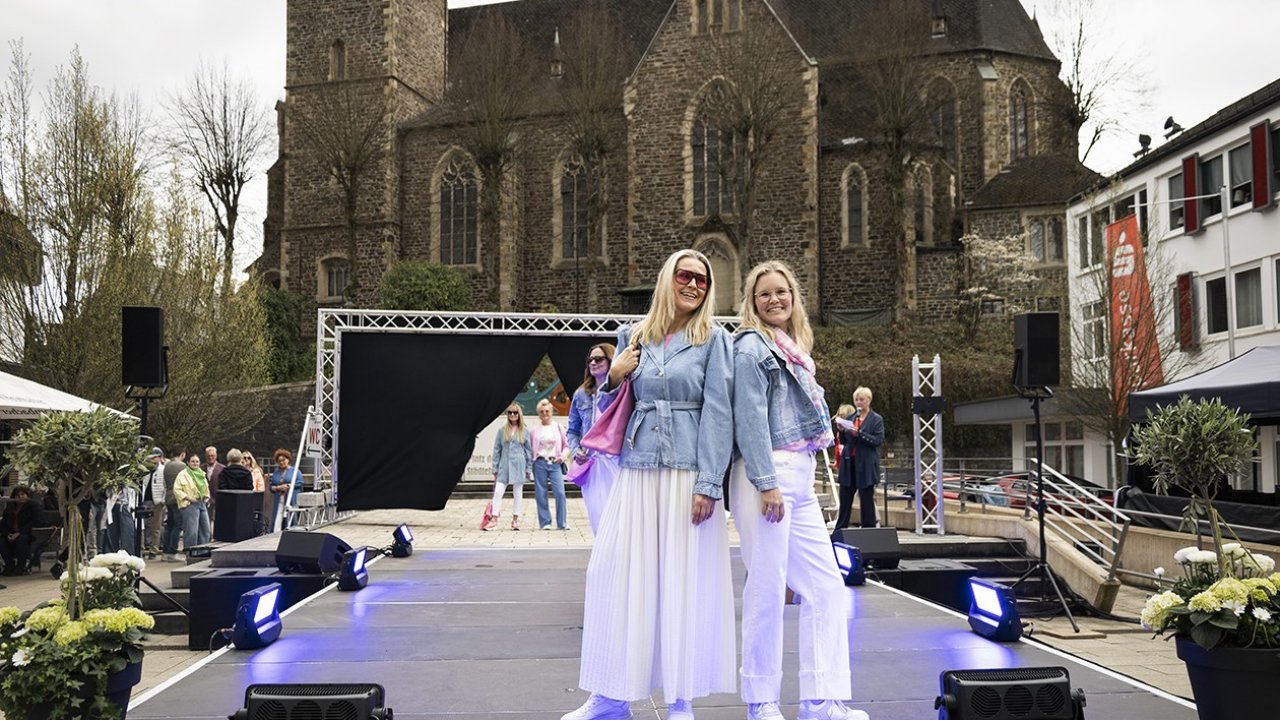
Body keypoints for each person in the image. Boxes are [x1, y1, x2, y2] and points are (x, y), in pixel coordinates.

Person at [562, 249, 735, 720]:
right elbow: (609, 413)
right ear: (668, 279)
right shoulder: (631, 335)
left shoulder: (713, 340)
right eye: (685, 275)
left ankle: (681, 701)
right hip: (637, 469)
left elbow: (719, 415)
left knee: (680, 584)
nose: (694, 285)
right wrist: (614, 378)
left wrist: (709, 483)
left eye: (702, 279)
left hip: (686, 473)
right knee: (613, 576)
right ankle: (611, 694)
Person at [729, 260, 868, 720]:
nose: (775, 300)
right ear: (752, 301)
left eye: (781, 292)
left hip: (800, 475)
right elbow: (749, 419)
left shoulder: (793, 348)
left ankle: (823, 698)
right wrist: (766, 484)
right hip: (764, 475)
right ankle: (762, 700)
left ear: (793, 297)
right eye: (764, 294)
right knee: (766, 589)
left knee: (827, 588)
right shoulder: (750, 347)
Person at [566, 343, 618, 533]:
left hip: (619, 463)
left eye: (599, 359)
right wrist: (575, 451)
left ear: (611, 360)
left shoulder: (623, 391)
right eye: (590, 360)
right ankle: (604, 560)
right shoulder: (581, 395)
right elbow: (572, 431)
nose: (593, 363)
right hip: (593, 464)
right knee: (599, 520)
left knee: (620, 520)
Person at [838, 387, 884, 529]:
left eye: (861, 400)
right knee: (845, 497)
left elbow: (877, 440)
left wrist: (860, 434)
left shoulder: (876, 419)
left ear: (868, 401)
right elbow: (845, 442)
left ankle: (868, 528)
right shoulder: (851, 419)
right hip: (849, 462)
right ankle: (840, 528)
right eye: (856, 400)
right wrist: (841, 431)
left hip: (865, 464)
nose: (858, 402)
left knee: (866, 497)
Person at [487, 403, 533, 531]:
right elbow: (497, 450)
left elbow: (529, 451)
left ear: (519, 414)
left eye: (515, 412)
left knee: (517, 493)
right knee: (498, 491)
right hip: (504, 465)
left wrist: (529, 468)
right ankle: (494, 518)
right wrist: (495, 468)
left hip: (519, 465)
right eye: (510, 413)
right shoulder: (502, 431)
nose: (512, 415)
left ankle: (515, 520)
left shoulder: (525, 431)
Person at [531, 398, 570, 530]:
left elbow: (567, 445)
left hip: (555, 463)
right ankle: (545, 522)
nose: (545, 413)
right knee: (541, 493)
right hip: (540, 462)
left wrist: (563, 457)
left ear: (551, 412)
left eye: (547, 411)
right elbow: (531, 447)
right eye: (542, 411)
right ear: (539, 413)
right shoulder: (535, 430)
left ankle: (562, 522)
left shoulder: (558, 427)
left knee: (560, 493)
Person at [173, 453, 211, 550]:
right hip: (189, 504)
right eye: (193, 461)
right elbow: (176, 490)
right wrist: (188, 498)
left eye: (197, 461)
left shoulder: (202, 474)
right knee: (191, 531)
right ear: (188, 462)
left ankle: (203, 551)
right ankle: (190, 553)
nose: (195, 463)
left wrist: (207, 497)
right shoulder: (182, 474)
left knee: (205, 530)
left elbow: (206, 488)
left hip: (202, 503)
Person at [1, 486, 38, 575]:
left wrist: (19, 532)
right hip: (12, 534)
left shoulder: (33, 506)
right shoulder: (10, 508)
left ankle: (21, 566)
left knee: (22, 539)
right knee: (1, 541)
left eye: (23, 494)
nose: (20, 497)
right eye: (17, 495)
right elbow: (3, 523)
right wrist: (7, 534)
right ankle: (9, 565)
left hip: (28, 534)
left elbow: (38, 521)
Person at [832, 404, 857, 531]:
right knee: (845, 500)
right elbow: (840, 448)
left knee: (866, 498)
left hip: (856, 465)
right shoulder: (840, 434)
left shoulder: (855, 428)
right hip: (846, 466)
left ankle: (873, 524)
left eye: (842, 417)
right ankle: (840, 528)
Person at [161, 446, 188, 561]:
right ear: (182, 454)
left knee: (169, 524)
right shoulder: (182, 466)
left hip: (168, 496)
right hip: (178, 498)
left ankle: (165, 551)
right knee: (178, 525)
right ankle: (172, 551)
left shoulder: (167, 466)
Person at [270, 449, 304, 530]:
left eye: (283, 460)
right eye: (279, 461)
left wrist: (288, 486)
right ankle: (275, 533)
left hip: (291, 498)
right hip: (279, 499)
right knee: (277, 517)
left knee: (291, 517)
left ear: (288, 460)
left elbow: (300, 483)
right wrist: (277, 488)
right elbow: (271, 486)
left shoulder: (295, 471)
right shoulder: (276, 472)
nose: (281, 462)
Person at [143, 447, 167, 557]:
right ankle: (147, 545)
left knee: (156, 526)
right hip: (145, 500)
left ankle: (154, 549)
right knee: (146, 525)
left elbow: (165, 486)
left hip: (157, 501)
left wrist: (162, 500)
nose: (152, 460)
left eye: (154, 457)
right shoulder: (145, 470)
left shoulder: (163, 470)